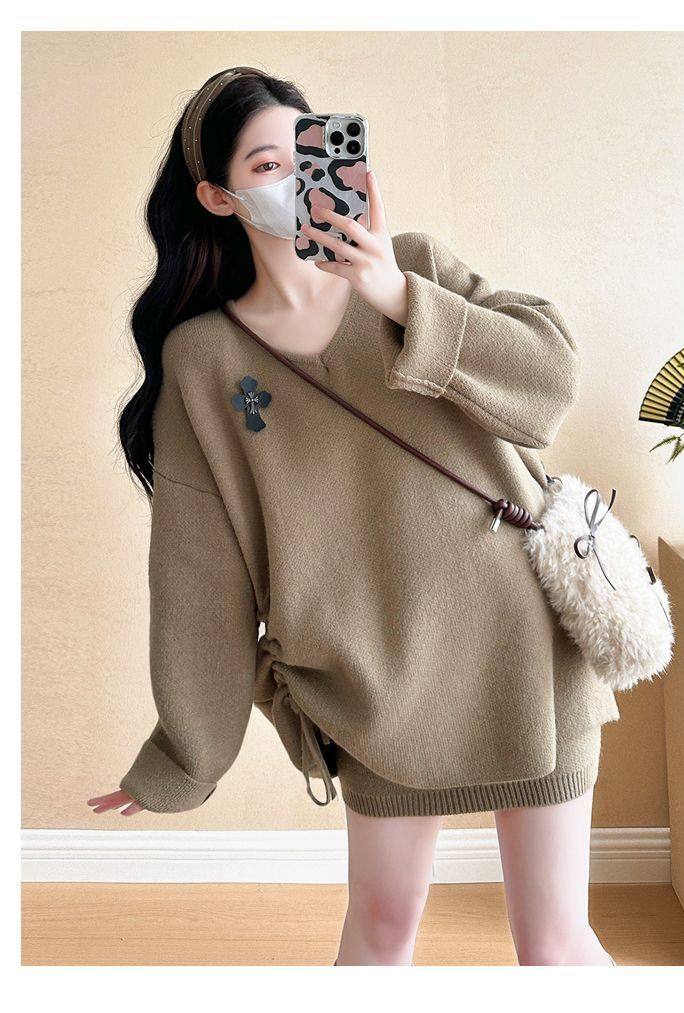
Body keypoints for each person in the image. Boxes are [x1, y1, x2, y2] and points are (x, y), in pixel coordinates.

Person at [87, 66, 620, 967]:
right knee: (378, 933)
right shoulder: (205, 359)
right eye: (266, 164)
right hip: (376, 683)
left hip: (525, 651)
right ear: (217, 196)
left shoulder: (415, 266)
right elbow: (199, 574)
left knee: (555, 942)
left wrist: (396, 295)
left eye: (308, 154)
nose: (296, 180)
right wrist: (184, 753)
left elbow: (549, 383)